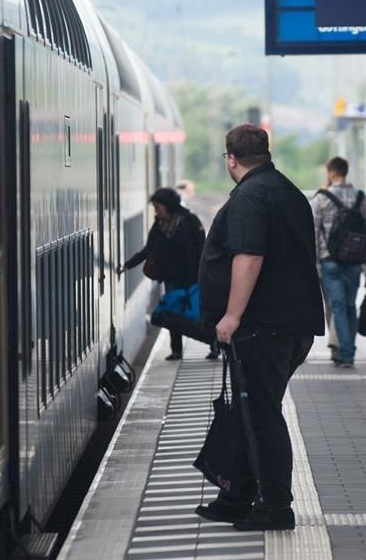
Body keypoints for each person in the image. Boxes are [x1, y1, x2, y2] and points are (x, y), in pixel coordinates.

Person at [195, 124, 324, 531]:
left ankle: (276, 507)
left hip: (263, 327)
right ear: (265, 153)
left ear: (231, 158)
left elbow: (249, 256)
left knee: (262, 415)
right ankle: (237, 496)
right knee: (251, 412)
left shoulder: (252, 195)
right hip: (288, 324)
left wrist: (231, 316)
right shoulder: (287, 190)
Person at [123, 187, 219, 360]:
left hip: (193, 277)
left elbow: (203, 249)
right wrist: (128, 265)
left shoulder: (190, 221)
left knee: (199, 313)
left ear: (168, 205)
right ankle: (176, 350)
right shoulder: (158, 226)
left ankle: (214, 345)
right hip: (172, 278)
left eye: (157, 207)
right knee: (173, 313)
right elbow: (148, 249)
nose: (156, 210)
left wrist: (206, 274)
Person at [311, 156, 366, 368]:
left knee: (339, 307)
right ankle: (348, 350)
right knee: (350, 306)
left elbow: (314, 232)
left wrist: (315, 263)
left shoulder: (321, 198)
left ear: (331, 173)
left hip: (330, 261)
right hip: (354, 261)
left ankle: (346, 355)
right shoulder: (361, 197)